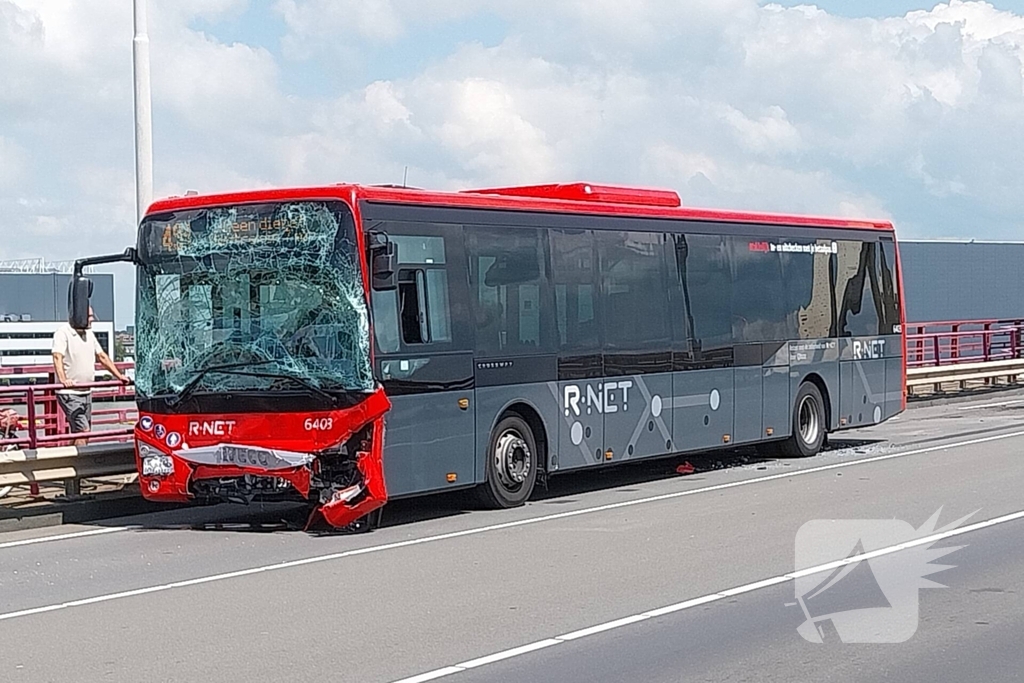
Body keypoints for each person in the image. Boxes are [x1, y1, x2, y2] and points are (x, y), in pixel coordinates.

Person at [51, 307, 130, 446]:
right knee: (84, 429)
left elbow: (102, 356)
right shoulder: (63, 332)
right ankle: (79, 462)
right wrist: (63, 379)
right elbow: (57, 356)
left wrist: (119, 376)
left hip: (86, 390)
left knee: (81, 431)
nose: (92, 319)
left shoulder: (89, 333)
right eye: (89, 316)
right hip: (69, 392)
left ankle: (68, 456)